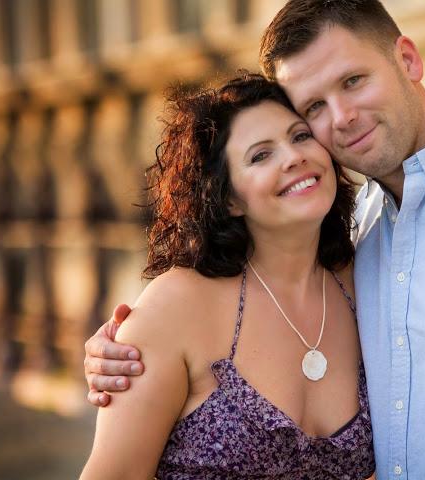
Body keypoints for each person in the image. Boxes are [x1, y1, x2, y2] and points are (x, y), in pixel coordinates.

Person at [84, 1, 425, 478]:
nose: (341, 117)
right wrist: (128, 349)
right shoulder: (366, 225)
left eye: (353, 81)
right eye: (315, 107)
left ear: (408, 60)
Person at [80, 74, 375, 479]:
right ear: (230, 198)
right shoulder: (176, 306)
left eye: (301, 136)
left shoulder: (365, 281)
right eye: (260, 156)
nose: (294, 157)